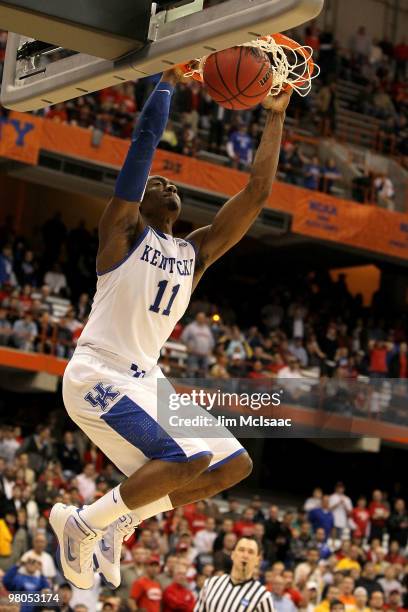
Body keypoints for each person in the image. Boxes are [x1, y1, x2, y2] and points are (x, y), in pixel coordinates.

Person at [50, 66, 291, 591]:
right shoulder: (120, 232)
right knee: (189, 456)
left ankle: (122, 518)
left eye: (171, 182)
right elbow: (143, 146)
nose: (168, 183)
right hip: (98, 374)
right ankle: (84, 522)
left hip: (147, 381)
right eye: (159, 184)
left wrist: (275, 115)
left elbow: (256, 193)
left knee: (231, 466)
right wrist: (169, 80)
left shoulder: (195, 251)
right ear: (141, 202)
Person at [195, 536, 274, 611]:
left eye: (251, 552)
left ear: (258, 560)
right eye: (241, 550)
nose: (245, 555)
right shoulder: (211, 583)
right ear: (232, 555)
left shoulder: (262, 596)